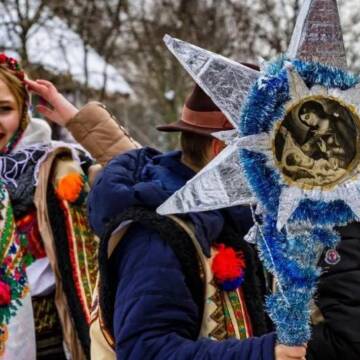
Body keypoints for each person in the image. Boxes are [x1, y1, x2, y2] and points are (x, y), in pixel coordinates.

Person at [88, 83, 307, 360]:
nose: (286, 165)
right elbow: (146, 350)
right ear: (221, 151)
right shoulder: (157, 237)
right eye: (272, 149)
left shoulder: (238, 218)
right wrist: (263, 353)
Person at [0, 54, 138, 359]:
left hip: (63, 341)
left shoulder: (61, 165)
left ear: (23, 110)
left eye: (4, 109)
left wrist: (79, 121)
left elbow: (142, 178)